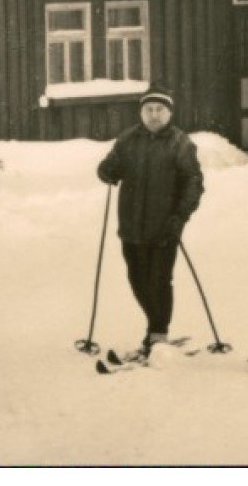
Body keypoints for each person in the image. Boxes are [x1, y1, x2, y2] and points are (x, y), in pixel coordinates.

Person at [96, 83, 204, 356]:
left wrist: (179, 217)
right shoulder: (127, 140)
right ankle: (154, 326)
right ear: (141, 112)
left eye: (159, 110)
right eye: (149, 110)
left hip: (164, 227)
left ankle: (157, 332)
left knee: (159, 279)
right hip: (131, 226)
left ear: (169, 113)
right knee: (137, 279)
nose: (154, 115)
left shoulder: (180, 143)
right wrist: (107, 171)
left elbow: (193, 182)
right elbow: (111, 166)